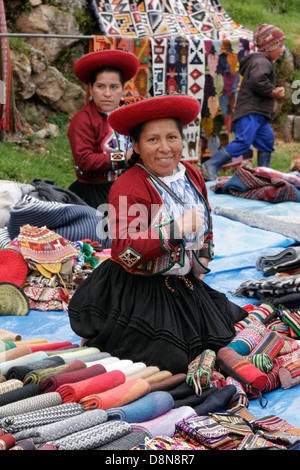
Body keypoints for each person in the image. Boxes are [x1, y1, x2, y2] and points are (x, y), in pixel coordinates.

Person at [68, 94, 247, 374]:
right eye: (153, 140)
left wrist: (200, 265)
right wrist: (176, 229)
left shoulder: (190, 174)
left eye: (172, 138)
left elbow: (205, 220)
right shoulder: (128, 186)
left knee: (225, 332)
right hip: (138, 289)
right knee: (168, 360)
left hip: (182, 283)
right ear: (136, 146)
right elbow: (126, 251)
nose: (165, 148)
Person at [203, 24, 286, 181]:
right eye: (280, 45)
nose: (282, 50)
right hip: (250, 111)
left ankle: (263, 175)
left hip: (260, 114)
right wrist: (272, 91)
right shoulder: (261, 62)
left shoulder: (262, 61)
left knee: (267, 140)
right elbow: (257, 80)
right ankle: (211, 165)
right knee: (243, 142)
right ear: (270, 45)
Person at [67, 50, 139, 208]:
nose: (107, 93)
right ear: (91, 89)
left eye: (114, 87)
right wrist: (123, 157)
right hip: (95, 192)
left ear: (123, 89)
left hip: (129, 185)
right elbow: (85, 161)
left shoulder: (130, 115)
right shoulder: (83, 120)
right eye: (100, 86)